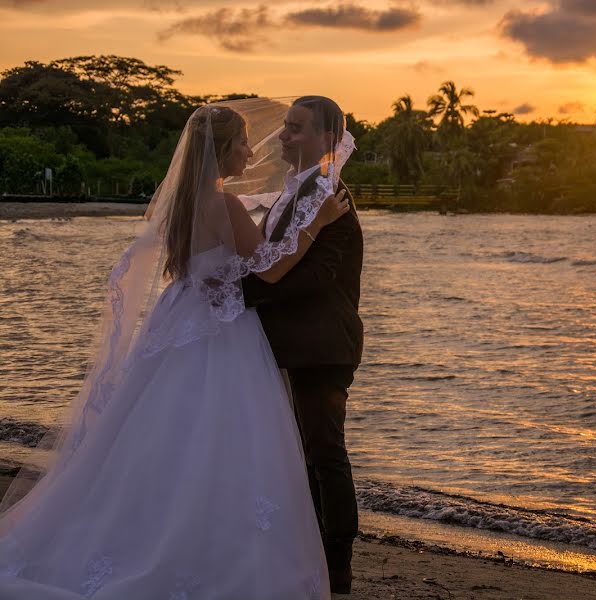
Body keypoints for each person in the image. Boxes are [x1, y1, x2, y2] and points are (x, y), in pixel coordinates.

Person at [0, 103, 350, 599]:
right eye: (244, 143)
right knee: (223, 434)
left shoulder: (185, 201)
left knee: (161, 428)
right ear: (222, 149)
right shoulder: (224, 204)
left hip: (180, 317)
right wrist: (318, 222)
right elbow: (270, 269)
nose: (253, 152)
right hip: (219, 330)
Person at [240, 95, 364, 596]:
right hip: (295, 341)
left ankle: (338, 566)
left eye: (296, 128)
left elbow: (317, 275)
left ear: (328, 140)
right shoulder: (299, 189)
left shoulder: (326, 192)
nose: (285, 136)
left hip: (321, 344)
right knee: (302, 452)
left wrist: (241, 294)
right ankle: (310, 552)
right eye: (286, 127)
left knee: (324, 450)